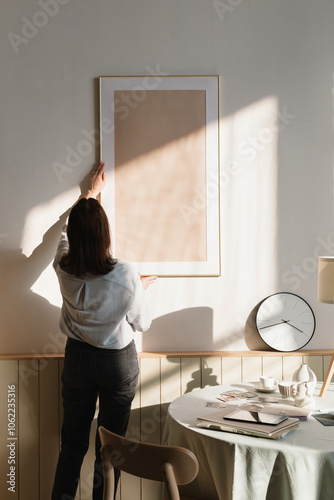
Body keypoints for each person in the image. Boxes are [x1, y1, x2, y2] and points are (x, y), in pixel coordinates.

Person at [51, 162, 157, 500]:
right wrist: (136, 291)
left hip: (78, 360)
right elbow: (142, 323)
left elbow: (66, 237)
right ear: (105, 234)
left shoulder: (62, 266)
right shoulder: (126, 274)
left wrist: (89, 195)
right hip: (117, 364)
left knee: (72, 445)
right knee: (110, 449)